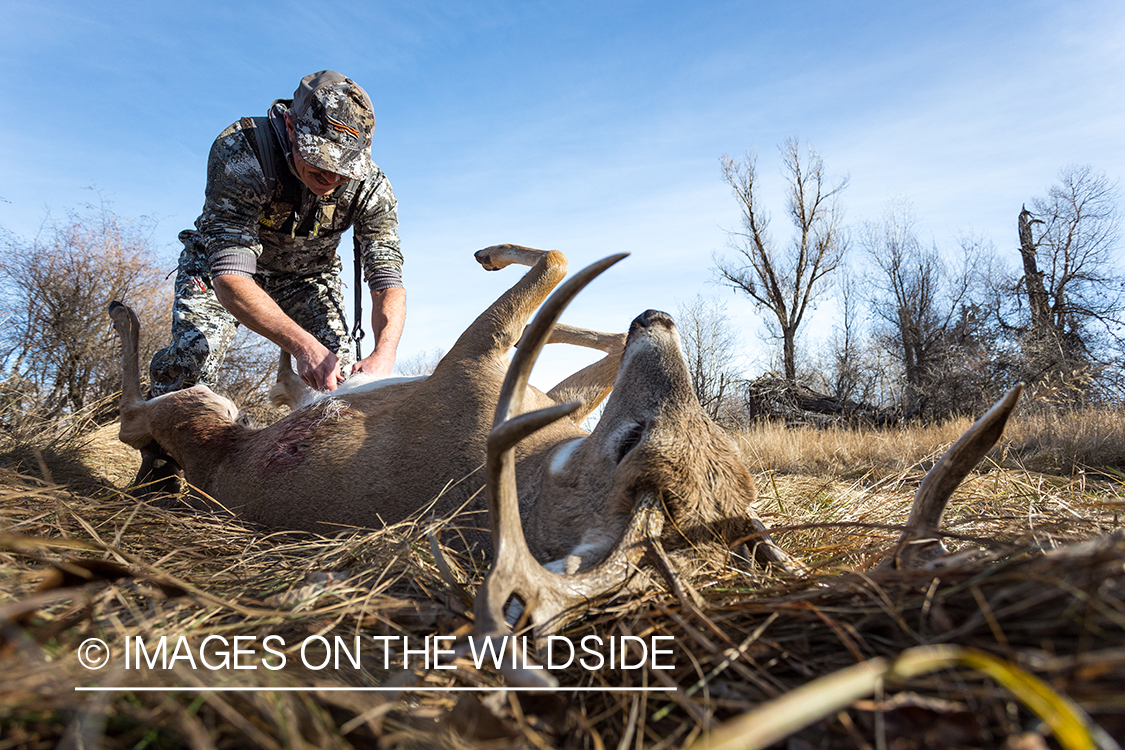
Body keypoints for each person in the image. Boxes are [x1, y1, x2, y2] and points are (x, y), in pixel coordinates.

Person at [138, 70, 404, 492]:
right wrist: (301, 345)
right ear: (291, 126)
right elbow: (231, 277)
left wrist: (384, 352)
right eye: (320, 160)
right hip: (226, 269)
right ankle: (158, 474)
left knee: (341, 382)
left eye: (344, 167)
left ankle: (312, 481)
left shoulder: (372, 188)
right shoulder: (242, 153)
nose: (331, 177)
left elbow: (387, 277)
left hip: (309, 276)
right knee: (190, 360)